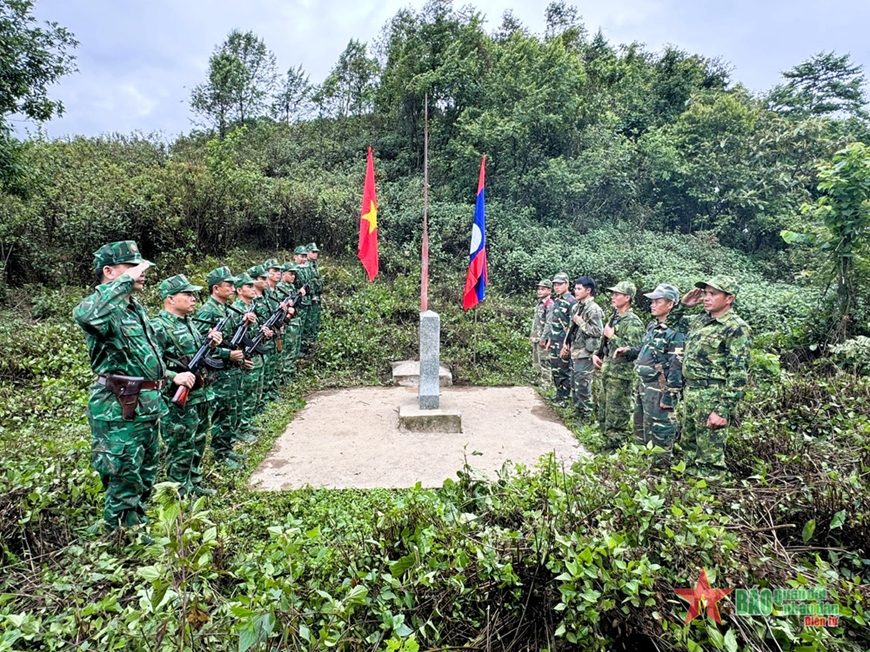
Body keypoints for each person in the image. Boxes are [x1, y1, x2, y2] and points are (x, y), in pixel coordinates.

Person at [73, 241, 166, 532]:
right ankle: (121, 538)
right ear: (109, 272)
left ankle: (136, 527)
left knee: (145, 472)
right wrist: (124, 282)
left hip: (146, 405)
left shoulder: (133, 308)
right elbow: (85, 315)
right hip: (118, 408)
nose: (141, 272)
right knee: (123, 476)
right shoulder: (104, 309)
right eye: (132, 267)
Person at [150, 275, 222, 496]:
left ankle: (194, 483)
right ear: (170, 298)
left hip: (200, 394)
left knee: (198, 441)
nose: (193, 299)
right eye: (187, 294)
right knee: (181, 447)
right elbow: (150, 364)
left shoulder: (189, 322)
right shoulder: (158, 327)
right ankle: (179, 493)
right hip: (179, 400)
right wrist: (173, 376)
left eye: (193, 294)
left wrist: (210, 342)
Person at [679, 276, 751, 479]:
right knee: (689, 450)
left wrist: (722, 409)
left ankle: (710, 501)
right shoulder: (701, 320)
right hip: (691, 392)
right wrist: (683, 306)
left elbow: (738, 372)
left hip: (712, 396)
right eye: (705, 293)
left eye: (713, 294)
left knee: (709, 458)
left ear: (729, 298)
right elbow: (672, 325)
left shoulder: (736, 327)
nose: (706, 298)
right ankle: (689, 498)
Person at [615, 283, 684, 466]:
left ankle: (659, 471)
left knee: (659, 430)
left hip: (659, 387)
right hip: (644, 385)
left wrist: (670, 396)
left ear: (670, 304)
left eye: (657, 301)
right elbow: (645, 349)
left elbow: (677, 365)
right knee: (640, 426)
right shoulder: (653, 325)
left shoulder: (676, 333)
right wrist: (628, 350)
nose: (652, 305)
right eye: (652, 301)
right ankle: (641, 467)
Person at [195, 266, 248, 470]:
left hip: (231, 370)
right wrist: (227, 354)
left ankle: (227, 448)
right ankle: (221, 453)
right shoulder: (208, 311)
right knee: (222, 412)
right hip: (219, 372)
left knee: (231, 409)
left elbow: (230, 339)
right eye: (229, 285)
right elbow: (199, 346)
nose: (233, 288)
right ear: (216, 288)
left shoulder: (226, 309)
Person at [593, 281, 644, 450]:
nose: (612, 297)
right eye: (612, 294)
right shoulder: (614, 317)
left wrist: (613, 337)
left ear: (627, 298)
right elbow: (605, 342)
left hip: (621, 376)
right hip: (608, 371)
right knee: (604, 410)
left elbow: (634, 351)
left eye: (617, 294)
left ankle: (615, 449)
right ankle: (606, 445)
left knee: (617, 414)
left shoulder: (633, 322)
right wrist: (597, 354)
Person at [562, 276, 603, 423]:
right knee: (574, 383)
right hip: (575, 350)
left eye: (579, 288)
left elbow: (598, 332)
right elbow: (571, 328)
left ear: (588, 290)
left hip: (585, 353)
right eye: (575, 288)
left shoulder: (594, 309)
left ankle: (586, 416)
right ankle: (578, 410)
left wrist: (580, 322)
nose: (576, 291)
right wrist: (566, 343)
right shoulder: (576, 307)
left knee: (583, 386)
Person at [235, 271, 270, 440]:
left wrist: (263, 331)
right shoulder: (237, 310)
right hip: (245, 358)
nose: (253, 289)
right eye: (248, 286)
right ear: (239, 290)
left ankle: (248, 423)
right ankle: (242, 428)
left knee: (254, 393)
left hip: (255, 354)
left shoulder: (250, 308)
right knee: (246, 395)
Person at [544, 272, 576, 407]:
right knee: (555, 369)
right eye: (555, 285)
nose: (557, 287)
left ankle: (565, 399)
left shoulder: (572, 302)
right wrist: (550, 340)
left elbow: (572, 326)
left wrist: (567, 345)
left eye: (560, 284)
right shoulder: (557, 301)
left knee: (564, 370)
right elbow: (554, 322)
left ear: (567, 284)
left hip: (564, 342)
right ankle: (558, 395)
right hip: (555, 340)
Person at [248, 265, 277, 408]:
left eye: (267, 277)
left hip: (267, 338)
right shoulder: (251, 301)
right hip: (256, 342)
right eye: (262, 278)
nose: (266, 280)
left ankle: (266, 397)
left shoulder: (266, 296)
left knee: (268, 368)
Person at [529, 279, 554, 389]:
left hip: (543, 338)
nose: (539, 291)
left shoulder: (550, 304)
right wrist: (532, 335)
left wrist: (544, 338)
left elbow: (549, 323)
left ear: (549, 290)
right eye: (538, 289)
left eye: (542, 289)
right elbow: (536, 322)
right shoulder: (540, 304)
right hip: (536, 337)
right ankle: (539, 379)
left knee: (544, 361)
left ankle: (546, 383)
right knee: (536, 360)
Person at [292, 246, 313, 352]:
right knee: (298, 325)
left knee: (306, 325)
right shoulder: (293, 269)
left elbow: (310, 283)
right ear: (295, 256)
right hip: (299, 301)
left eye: (305, 256)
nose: (304, 259)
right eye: (302, 256)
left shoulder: (307, 268)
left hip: (307, 301)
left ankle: (303, 348)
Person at [306, 243, 324, 343]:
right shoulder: (307, 265)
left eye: (316, 252)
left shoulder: (314, 265)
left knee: (316, 319)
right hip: (310, 297)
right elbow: (308, 282)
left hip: (317, 295)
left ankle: (313, 339)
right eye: (313, 252)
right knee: (310, 320)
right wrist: (312, 295)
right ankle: (307, 342)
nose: (315, 254)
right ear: (308, 252)